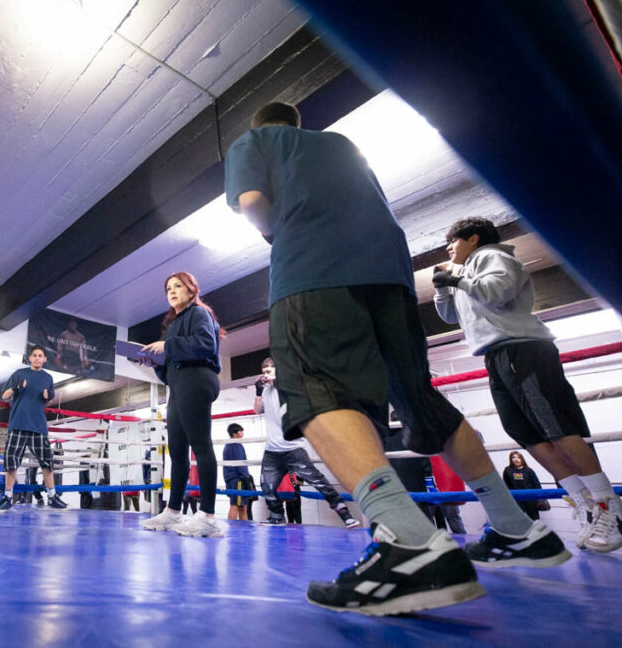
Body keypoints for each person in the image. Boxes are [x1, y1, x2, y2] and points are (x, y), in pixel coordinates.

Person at [226, 102, 568, 615]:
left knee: (311, 389)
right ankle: (517, 527)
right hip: (390, 274)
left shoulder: (255, 142)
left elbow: (252, 199)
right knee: (419, 399)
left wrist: (277, 232)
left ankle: (407, 541)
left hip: (313, 273)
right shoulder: (341, 145)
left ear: (262, 125)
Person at [434, 216, 621, 552]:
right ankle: (583, 501)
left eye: (454, 241)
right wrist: (442, 287)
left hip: (522, 347)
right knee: (524, 432)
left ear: (473, 239)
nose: (449, 248)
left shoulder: (494, 257)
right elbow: (451, 317)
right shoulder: (464, 272)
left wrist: (457, 278)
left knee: (556, 427)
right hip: (495, 354)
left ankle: (608, 505)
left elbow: (497, 292)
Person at [139, 272, 224, 538]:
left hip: (198, 378)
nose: (172, 291)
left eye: (178, 286)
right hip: (179, 383)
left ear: (191, 290)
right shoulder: (174, 324)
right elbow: (171, 365)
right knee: (176, 449)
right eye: (168, 288)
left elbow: (206, 345)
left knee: (200, 444)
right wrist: (154, 363)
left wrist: (167, 346)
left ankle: (208, 516)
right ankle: (173, 511)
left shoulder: (199, 313)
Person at [255, 357, 359, 528]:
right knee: (266, 486)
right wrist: (258, 393)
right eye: (264, 372)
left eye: (269, 371)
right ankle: (277, 516)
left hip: (293, 449)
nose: (265, 375)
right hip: (272, 452)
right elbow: (258, 410)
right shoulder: (266, 391)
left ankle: (345, 514)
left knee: (319, 482)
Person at [0, 346, 69, 512]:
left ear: (44, 359)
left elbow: (48, 399)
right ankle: (7, 498)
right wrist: (16, 387)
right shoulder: (19, 374)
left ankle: (52, 497)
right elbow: (4, 396)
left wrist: (47, 397)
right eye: (34, 355)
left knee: (47, 463)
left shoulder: (48, 378)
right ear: (30, 358)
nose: (36, 358)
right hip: (18, 425)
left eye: (40, 356)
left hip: (38, 426)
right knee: (11, 464)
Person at [502, 451, 543, 521]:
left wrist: (539, 499)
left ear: (522, 459)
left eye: (518, 457)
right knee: (517, 520)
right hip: (516, 499)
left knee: (534, 519)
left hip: (530, 498)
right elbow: (505, 485)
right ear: (511, 459)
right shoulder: (508, 470)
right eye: (513, 457)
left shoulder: (529, 470)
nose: (516, 459)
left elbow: (537, 485)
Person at [223, 423, 251, 521]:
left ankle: (243, 531)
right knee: (235, 505)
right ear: (234, 433)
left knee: (242, 506)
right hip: (237, 479)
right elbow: (240, 464)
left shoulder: (229, 445)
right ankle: (233, 531)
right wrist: (246, 478)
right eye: (240, 431)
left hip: (233, 478)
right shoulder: (235, 445)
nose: (242, 433)